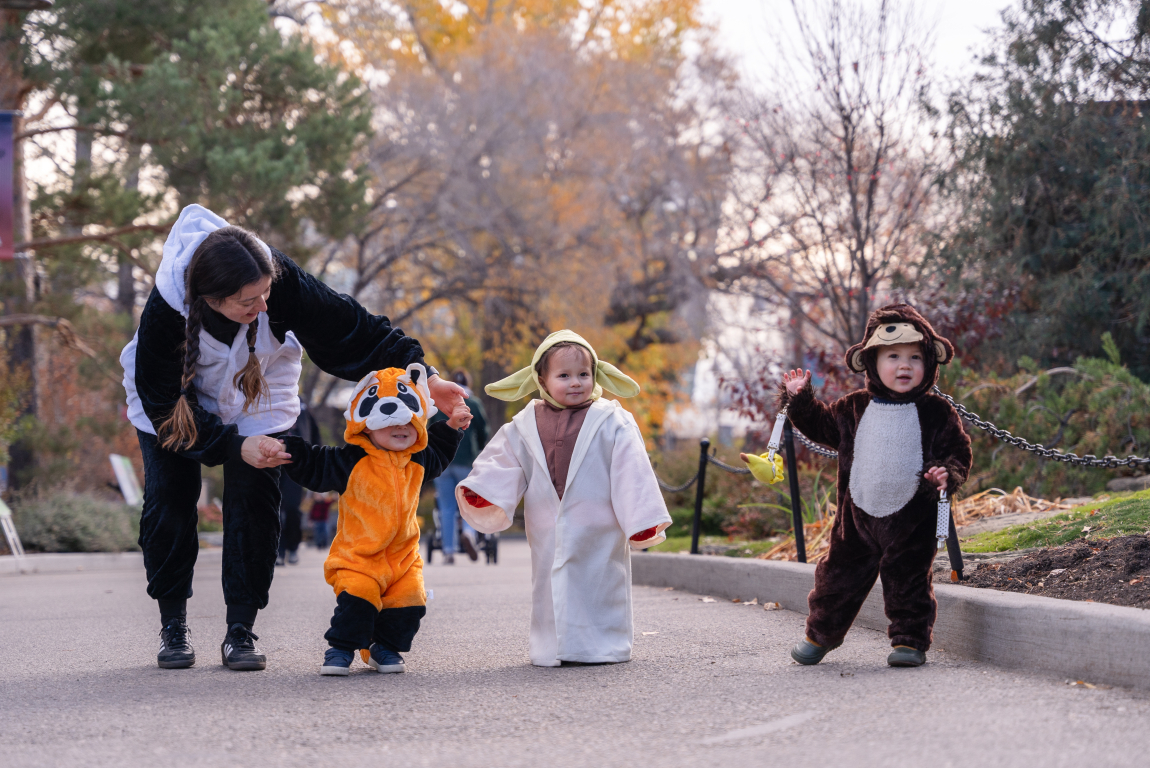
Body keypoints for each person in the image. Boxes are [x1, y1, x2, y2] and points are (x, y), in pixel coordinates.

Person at [120, 205, 465, 672]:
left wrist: (426, 377)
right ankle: (173, 625)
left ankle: (240, 629)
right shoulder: (167, 312)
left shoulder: (275, 277)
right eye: (249, 302)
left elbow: (351, 327)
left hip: (256, 389)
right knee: (170, 501)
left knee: (257, 503)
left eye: (265, 295)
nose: (263, 306)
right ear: (212, 298)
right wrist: (227, 446)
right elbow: (163, 400)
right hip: (174, 408)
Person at [750, 304, 972, 668]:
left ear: (930, 362)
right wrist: (800, 399)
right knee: (836, 579)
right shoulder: (854, 407)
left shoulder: (936, 412)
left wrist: (946, 474)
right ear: (871, 361)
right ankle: (819, 635)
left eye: (915, 357)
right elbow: (822, 427)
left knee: (909, 582)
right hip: (857, 518)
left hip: (911, 519)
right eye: (894, 356)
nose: (904, 365)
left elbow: (956, 451)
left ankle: (909, 641)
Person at [455, 330, 671, 667]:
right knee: (550, 584)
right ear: (541, 379)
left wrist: (641, 519)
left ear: (596, 375)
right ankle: (552, 645)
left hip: (599, 524)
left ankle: (602, 644)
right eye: (564, 375)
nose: (576, 383)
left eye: (584, 374)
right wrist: (483, 490)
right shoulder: (525, 423)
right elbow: (503, 460)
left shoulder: (613, 420)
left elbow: (633, 471)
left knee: (599, 583)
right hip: (546, 524)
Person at [264, 364, 470, 675]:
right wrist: (288, 448)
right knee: (358, 602)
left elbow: (439, 451)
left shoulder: (417, 460)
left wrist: (453, 425)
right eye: (389, 425)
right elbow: (316, 464)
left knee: (410, 603)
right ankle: (341, 648)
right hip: (359, 557)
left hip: (402, 559)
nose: (400, 428)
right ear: (366, 427)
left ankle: (383, 647)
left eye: (407, 423)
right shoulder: (351, 461)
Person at [428, 369, 489, 563]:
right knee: (469, 502)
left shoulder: (439, 404)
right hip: (466, 462)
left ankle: (448, 550)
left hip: (442, 462)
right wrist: (478, 449)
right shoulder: (474, 403)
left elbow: (430, 430)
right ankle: (469, 534)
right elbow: (482, 431)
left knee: (446, 507)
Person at [277, 403, 321, 566]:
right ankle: (278, 551)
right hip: (271, 463)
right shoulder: (268, 395)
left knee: (292, 509)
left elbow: (314, 435)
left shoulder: (302, 405)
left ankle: (293, 547)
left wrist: (316, 464)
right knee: (274, 510)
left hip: (295, 464)